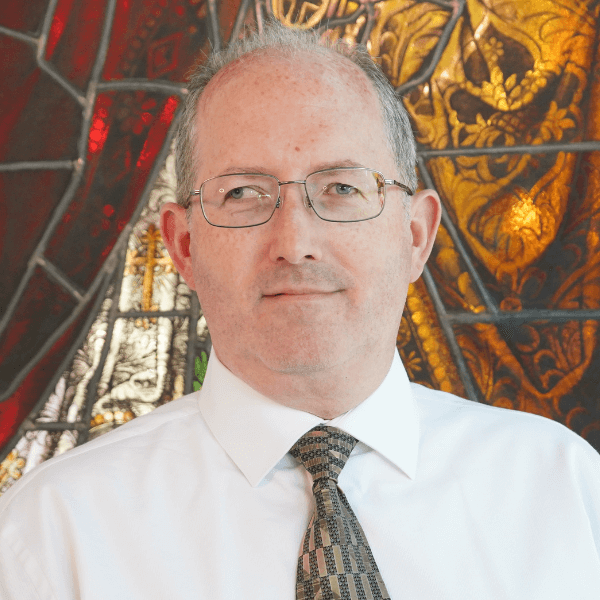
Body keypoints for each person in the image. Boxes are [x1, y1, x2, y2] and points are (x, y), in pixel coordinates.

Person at [1, 19, 599, 600]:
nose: (294, 242)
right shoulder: (49, 539)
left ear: (416, 236)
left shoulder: (567, 493)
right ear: (183, 246)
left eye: (341, 188)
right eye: (242, 193)